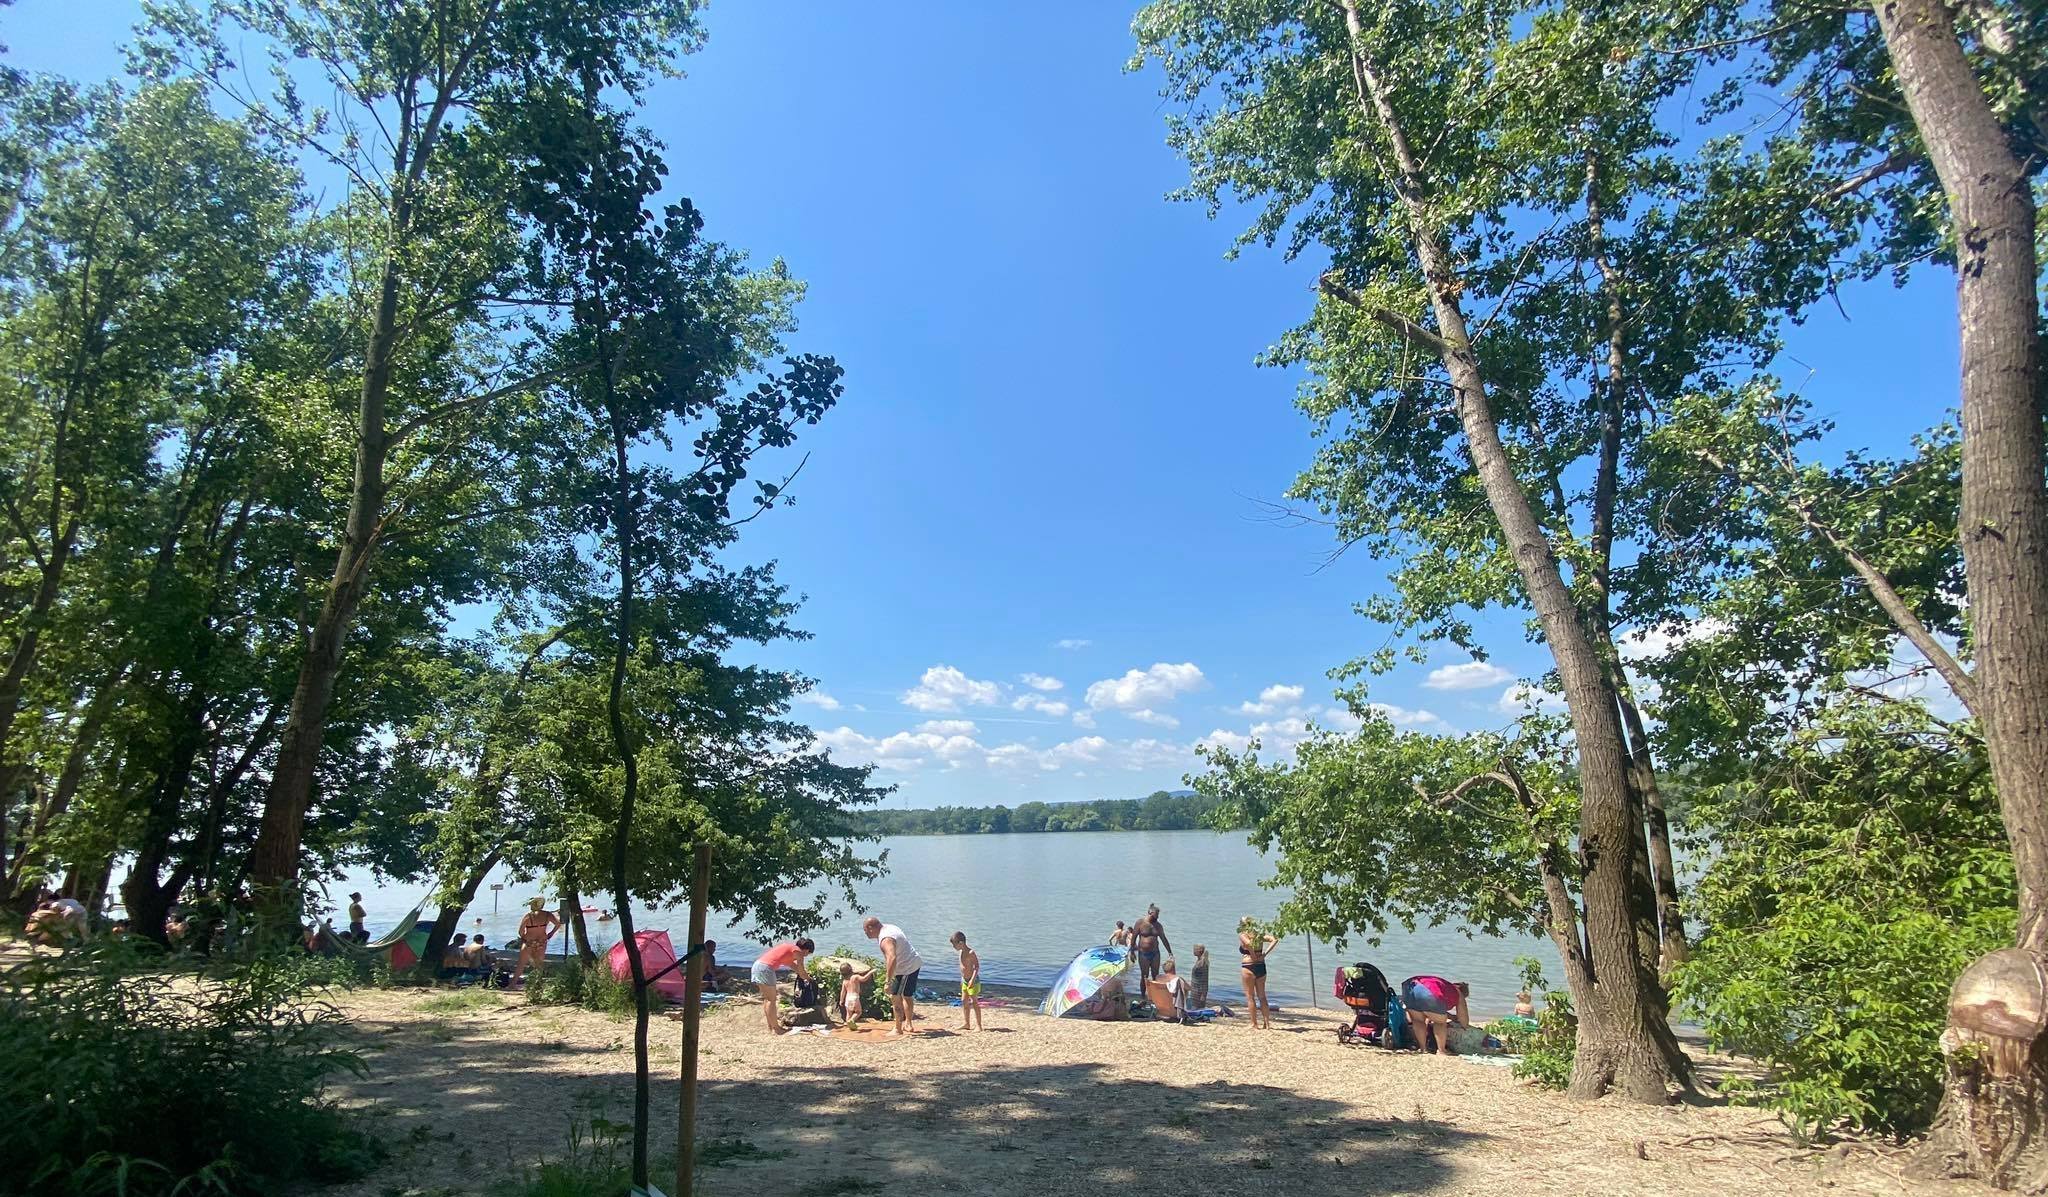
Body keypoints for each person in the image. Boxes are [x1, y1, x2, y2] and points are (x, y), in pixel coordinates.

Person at [863, 916, 924, 1037]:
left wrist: (887, 981)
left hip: (906, 968)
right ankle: (908, 1024)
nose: (865, 933)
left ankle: (898, 1028)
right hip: (913, 962)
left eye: (865, 931)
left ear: (871, 928)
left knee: (895, 997)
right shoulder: (889, 927)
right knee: (907, 995)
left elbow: (892, 958)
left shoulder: (885, 939)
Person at [749, 938, 816, 1035]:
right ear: (806, 950)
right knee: (771, 1000)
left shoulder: (789, 949)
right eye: (808, 953)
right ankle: (776, 1029)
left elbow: (794, 967)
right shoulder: (798, 952)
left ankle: (771, 1026)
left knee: (767, 999)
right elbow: (801, 972)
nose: (806, 955)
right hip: (766, 969)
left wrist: (806, 974)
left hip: (757, 966)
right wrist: (809, 979)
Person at [1401, 975, 1471, 1055]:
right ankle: (1441, 1051)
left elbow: (1430, 1010)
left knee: (1418, 1020)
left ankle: (1423, 1049)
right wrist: (1464, 1026)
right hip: (1430, 990)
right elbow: (1463, 1019)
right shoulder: (1458, 993)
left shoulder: (1445, 986)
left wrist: (1451, 1017)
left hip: (1410, 986)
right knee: (1440, 1022)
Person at [1237, 916, 1279, 1030]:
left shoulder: (1243, 934)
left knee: (1250, 996)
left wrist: (1253, 955)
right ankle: (1267, 1023)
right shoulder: (1258, 935)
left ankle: (1254, 1024)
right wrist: (1264, 954)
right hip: (1261, 966)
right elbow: (1275, 939)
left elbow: (1249, 944)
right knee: (1262, 996)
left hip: (1249, 965)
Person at [512, 897, 560, 986]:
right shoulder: (547, 915)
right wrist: (551, 934)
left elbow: (520, 931)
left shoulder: (528, 916)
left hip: (529, 941)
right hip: (542, 941)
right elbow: (558, 924)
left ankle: (512, 985)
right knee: (539, 964)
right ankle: (538, 985)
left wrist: (524, 938)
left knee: (521, 964)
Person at [949, 931, 982, 1031]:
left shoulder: (971, 953)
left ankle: (979, 1025)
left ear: (961, 943)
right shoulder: (960, 952)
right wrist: (962, 979)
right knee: (964, 1001)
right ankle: (966, 1023)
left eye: (954, 945)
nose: (953, 947)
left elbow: (976, 967)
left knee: (974, 1002)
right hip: (964, 980)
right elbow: (962, 967)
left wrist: (972, 980)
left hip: (973, 981)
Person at [1132, 905, 1172, 984]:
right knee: (1144, 976)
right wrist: (1132, 952)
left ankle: (1154, 995)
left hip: (1155, 953)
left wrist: (1170, 952)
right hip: (1143, 954)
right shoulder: (1140, 923)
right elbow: (1134, 938)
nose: (1158, 917)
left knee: (1155, 976)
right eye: (1156, 915)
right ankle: (1143, 995)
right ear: (1150, 913)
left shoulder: (1158, 925)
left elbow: (1163, 939)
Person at [837, 962, 874, 1029]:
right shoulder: (855, 977)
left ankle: (849, 1024)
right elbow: (864, 979)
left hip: (847, 998)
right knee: (858, 1012)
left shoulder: (845, 981)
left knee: (848, 1013)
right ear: (851, 969)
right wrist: (870, 972)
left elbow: (843, 992)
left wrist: (841, 1000)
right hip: (854, 997)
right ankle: (852, 1020)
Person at [1157, 957, 1193, 1023]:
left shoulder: (1158, 978)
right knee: (1184, 990)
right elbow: (1189, 988)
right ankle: (1181, 1011)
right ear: (1173, 969)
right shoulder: (1177, 979)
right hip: (1173, 1009)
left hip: (1161, 1008)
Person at [1190, 944, 1211, 1008]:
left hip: (1198, 990)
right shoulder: (1200, 961)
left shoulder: (1202, 963)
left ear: (1199, 951)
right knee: (1195, 1007)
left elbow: (1205, 980)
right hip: (1195, 989)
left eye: (1194, 949)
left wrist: (1203, 994)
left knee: (1198, 1008)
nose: (1193, 951)